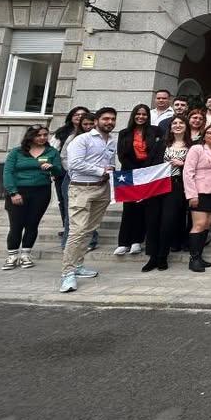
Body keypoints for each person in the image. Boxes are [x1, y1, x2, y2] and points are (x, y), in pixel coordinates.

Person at [60, 107, 118, 293]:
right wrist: (100, 171)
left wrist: (110, 170)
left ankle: (78, 265)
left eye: (113, 119)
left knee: (89, 229)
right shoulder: (82, 140)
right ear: (97, 121)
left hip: (102, 190)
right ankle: (67, 273)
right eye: (106, 119)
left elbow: (110, 162)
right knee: (77, 231)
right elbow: (74, 163)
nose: (109, 122)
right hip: (81, 189)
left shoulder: (111, 141)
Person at [1, 125, 63, 270]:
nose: (42, 138)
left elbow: (59, 171)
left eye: (45, 135)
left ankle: (26, 254)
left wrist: (52, 167)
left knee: (32, 224)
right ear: (30, 136)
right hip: (19, 190)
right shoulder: (16, 152)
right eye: (38, 135)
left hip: (41, 191)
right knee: (16, 225)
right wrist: (13, 193)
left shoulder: (51, 151)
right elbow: (7, 173)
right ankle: (12, 256)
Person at [115, 104, 160, 257]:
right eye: (138, 114)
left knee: (143, 208)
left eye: (144, 114)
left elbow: (157, 151)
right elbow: (121, 155)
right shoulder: (124, 133)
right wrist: (135, 170)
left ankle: (136, 241)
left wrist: (145, 169)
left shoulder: (155, 131)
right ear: (133, 115)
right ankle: (123, 243)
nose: (141, 117)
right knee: (128, 208)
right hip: (128, 173)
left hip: (148, 173)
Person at [144, 115, 189, 272]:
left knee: (167, 222)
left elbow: (195, 168)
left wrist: (183, 164)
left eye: (181, 123)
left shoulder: (192, 146)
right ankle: (152, 257)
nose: (177, 125)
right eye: (174, 123)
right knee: (153, 221)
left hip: (176, 186)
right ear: (170, 127)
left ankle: (163, 256)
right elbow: (149, 164)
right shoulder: (161, 144)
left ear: (186, 126)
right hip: (157, 186)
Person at [183, 123, 211, 272]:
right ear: (204, 135)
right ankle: (193, 258)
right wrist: (191, 195)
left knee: (207, 225)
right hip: (200, 192)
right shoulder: (197, 149)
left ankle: (200, 256)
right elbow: (188, 172)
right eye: (210, 133)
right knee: (199, 224)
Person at [51, 106, 88, 245]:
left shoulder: (89, 132)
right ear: (71, 117)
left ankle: (75, 230)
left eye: (82, 115)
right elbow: (54, 151)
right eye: (76, 114)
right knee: (63, 201)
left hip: (81, 174)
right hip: (62, 171)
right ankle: (66, 226)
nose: (79, 117)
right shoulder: (62, 132)